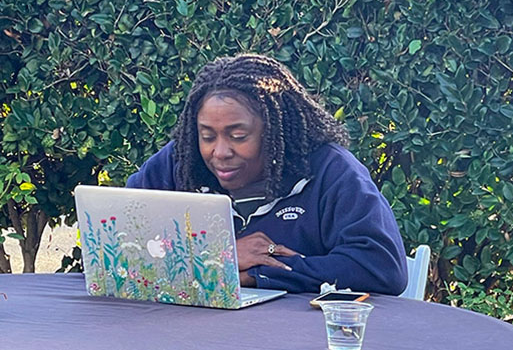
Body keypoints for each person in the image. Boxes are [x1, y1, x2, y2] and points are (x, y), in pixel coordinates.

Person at [126, 53, 408, 295]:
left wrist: (262, 274)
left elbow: (381, 266)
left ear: (275, 132)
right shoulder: (181, 163)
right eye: (207, 136)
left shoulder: (332, 171)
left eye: (238, 135)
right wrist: (222, 256)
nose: (220, 152)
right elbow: (120, 242)